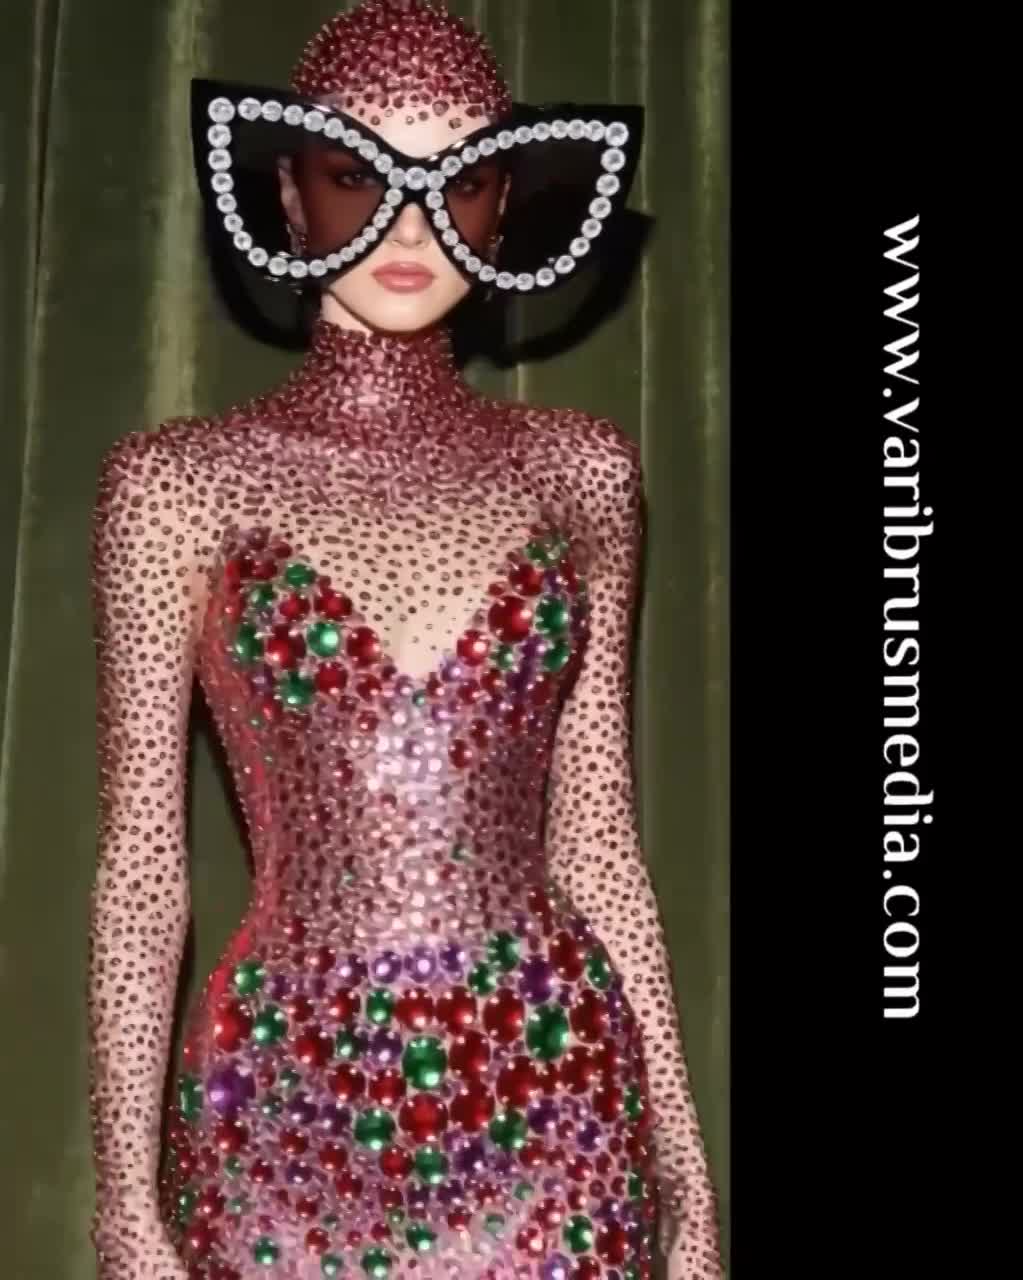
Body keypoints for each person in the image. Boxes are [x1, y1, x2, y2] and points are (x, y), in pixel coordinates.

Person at [87, 3, 722, 1278]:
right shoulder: (178, 485)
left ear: (505, 205)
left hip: (557, 1098)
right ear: (288, 190)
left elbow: (598, 840)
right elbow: (144, 866)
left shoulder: (581, 472)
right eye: (356, 173)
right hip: (278, 1110)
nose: (411, 221)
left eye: (459, 179)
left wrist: (687, 1172)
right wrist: (123, 1196)